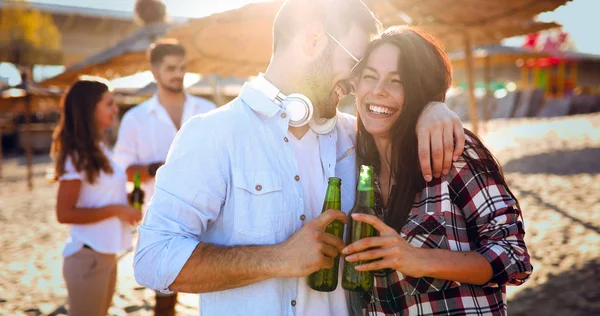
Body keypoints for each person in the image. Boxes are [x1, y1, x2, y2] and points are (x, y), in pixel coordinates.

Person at [133, 1, 465, 315]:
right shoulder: (213, 135)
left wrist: (431, 109)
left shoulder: (357, 136)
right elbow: (153, 259)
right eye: (355, 63)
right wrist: (279, 259)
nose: (354, 83)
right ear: (314, 39)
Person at [342, 26, 533, 315]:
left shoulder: (451, 150)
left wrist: (419, 259)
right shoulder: (353, 159)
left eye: (398, 81)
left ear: (419, 90)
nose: (378, 90)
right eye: (370, 76)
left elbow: (514, 257)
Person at [113, 39, 216, 315]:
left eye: (182, 67)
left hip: (211, 214)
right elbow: (122, 170)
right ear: (155, 72)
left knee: (213, 291)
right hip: (159, 217)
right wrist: (153, 170)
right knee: (164, 295)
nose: (178, 74)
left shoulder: (208, 111)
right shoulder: (135, 118)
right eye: (171, 68)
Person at [51, 76, 142, 316]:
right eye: (109, 103)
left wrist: (128, 200)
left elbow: (100, 196)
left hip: (107, 255)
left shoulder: (99, 149)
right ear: (89, 108)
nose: (116, 109)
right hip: (87, 258)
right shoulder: (76, 155)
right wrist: (117, 209)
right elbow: (64, 213)